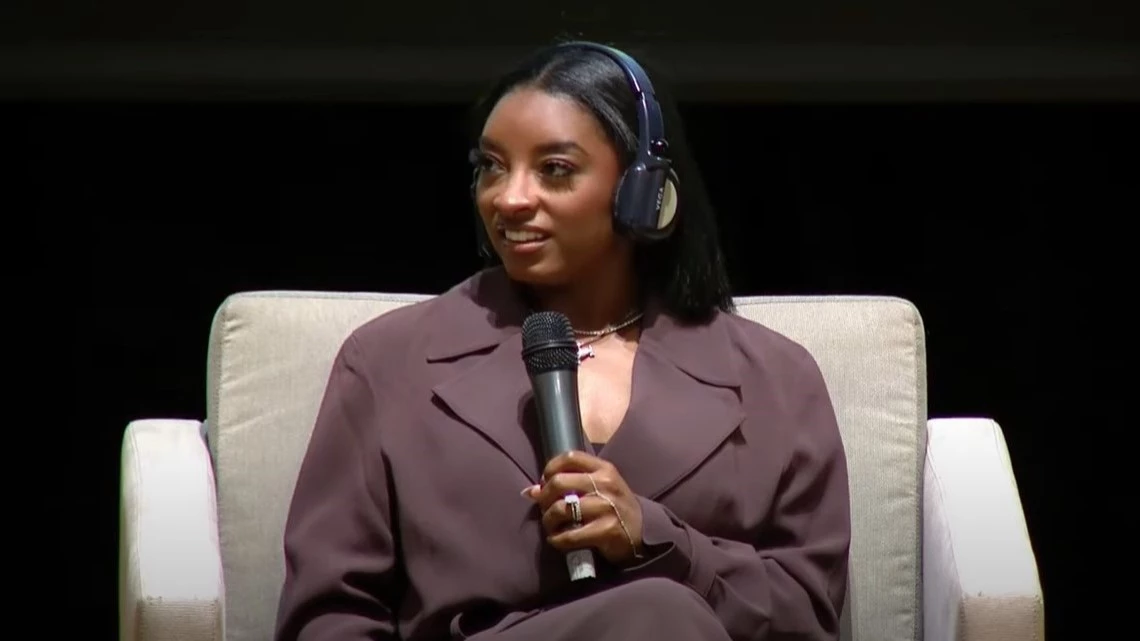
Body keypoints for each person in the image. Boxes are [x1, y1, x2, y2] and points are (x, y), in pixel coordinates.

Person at [274, 40, 851, 641]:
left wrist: (660, 540)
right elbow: (329, 611)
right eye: (492, 166)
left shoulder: (773, 378)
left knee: (660, 614)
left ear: (642, 192)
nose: (509, 198)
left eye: (554, 169)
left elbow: (806, 616)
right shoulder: (389, 361)